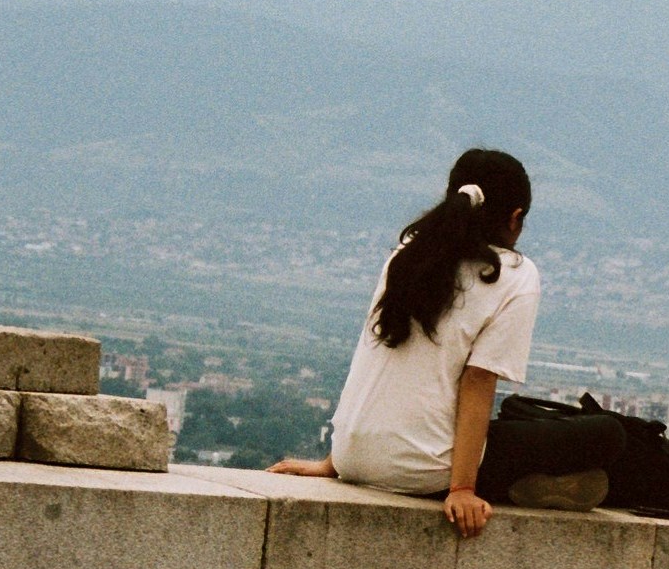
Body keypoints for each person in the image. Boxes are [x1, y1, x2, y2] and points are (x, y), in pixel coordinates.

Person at [274, 147, 644, 534]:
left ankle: (528, 485)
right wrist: (462, 488)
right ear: (515, 218)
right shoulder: (514, 276)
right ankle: (526, 483)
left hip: (352, 458)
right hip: (426, 471)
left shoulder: (407, 255)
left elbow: (376, 360)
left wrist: (338, 461)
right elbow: (479, 382)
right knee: (607, 434)